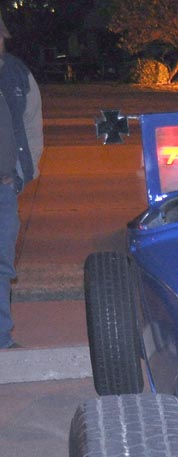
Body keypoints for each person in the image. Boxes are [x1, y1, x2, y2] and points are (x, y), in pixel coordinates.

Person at [0, 10, 42, 350]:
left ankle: (1, 334)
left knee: (2, 264)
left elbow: (31, 125)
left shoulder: (17, 74)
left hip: (3, 187)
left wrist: (23, 174)